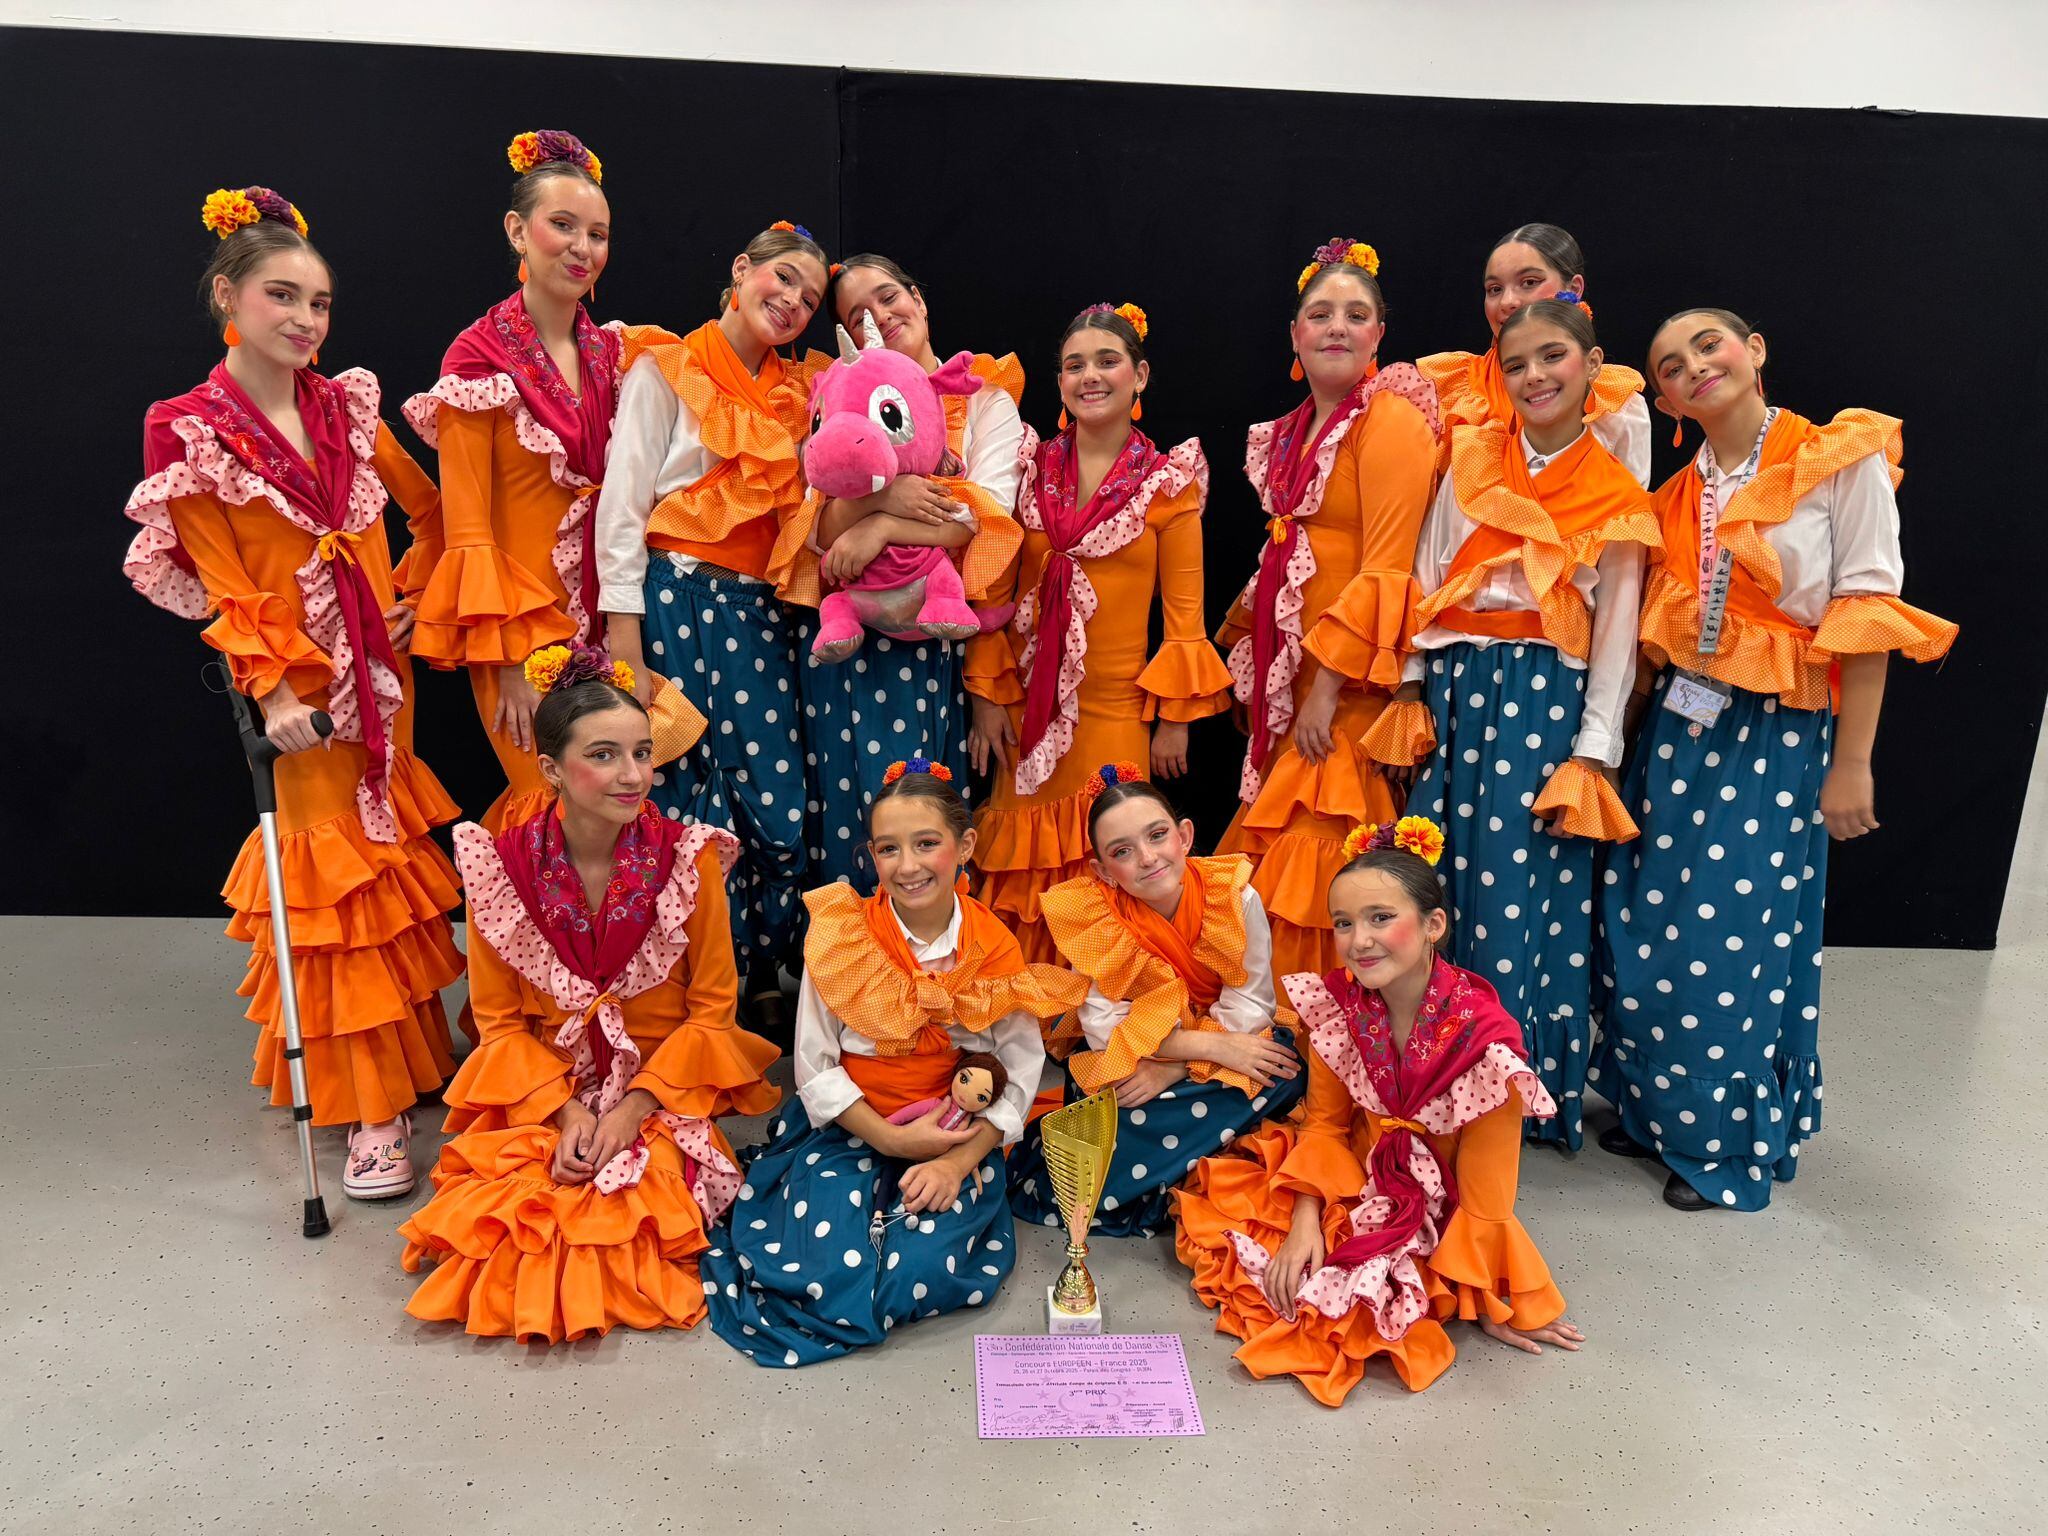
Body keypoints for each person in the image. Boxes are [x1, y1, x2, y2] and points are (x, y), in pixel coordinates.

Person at [121, 186, 462, 1199]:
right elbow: (224, 578)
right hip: (298, 689)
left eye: (318, 302)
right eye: (283, 295)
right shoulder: (190, 429)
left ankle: (404, 1053)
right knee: (328, 885)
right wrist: (271, 693)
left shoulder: (345, 405)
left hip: (379, 676)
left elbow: (431, 509)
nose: (306, 319)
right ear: (227, 294)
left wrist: (415, 597)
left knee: (383, 854)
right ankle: (369, 1108)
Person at [1592, 308, 1958, 1211]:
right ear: (1667, 402)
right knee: (1643, 922)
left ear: (1753, 351)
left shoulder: (1835, 460)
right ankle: (1653, 1108)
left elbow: (1865, 614)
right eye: (1670, 366)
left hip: (1776, 734)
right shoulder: (1678, 494)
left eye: (1706, 345)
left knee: (1727, 940)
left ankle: (1718, 1143)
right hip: (1678, 728)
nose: (1692, 366)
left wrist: (1852, 762)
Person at [398, 647, 779, 1340]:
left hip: (661, 1090)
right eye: (604, 755)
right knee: (514, 1220)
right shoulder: (499, 866)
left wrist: (632, 1110)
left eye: (642, 753)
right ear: (551, 770)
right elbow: (499, 1023)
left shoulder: (688, 859)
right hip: (545, 1088)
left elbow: (712, 1011)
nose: (633, 776)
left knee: (631, 1216)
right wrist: (566, 1111)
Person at [1174, 820, 1581, 1401]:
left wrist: (1491, 1295)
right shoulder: (1338, 1005)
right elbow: (1325, 1124)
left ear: (1434, 925)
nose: (1358, 940)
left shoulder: (1486, 1040)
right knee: (1264, 1247)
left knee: (1362, 1306)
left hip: (1439, 1202)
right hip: (1355, 1172)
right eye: (1343, 923)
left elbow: (1488, 1189)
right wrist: (1306, 1217)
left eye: (1380, 918)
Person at [1389, 299, 1660, 1150]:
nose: (1535, 376)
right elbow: (1429, 570)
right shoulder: (1473, 460)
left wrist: (1595, 748)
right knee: (1435, 885)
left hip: (1545, 705)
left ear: (1593, 365)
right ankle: (1423, 1077)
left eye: (1553, 357)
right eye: (1516, 364)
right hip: (1458, 691)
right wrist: (1410, 684)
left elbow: (1616, 629)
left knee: (1522, 898)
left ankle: (1507, 1095)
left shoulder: (1617, 496)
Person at [701, 760, 1078, 1366]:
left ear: (965, 847)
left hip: (954, 1135)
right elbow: (815, 1065)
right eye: (888, 849)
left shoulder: (994, 946)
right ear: (871, 856)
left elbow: (1020, 1072)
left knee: (920, 1268)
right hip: (853, 1126)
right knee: (821, 1262)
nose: (907, 866)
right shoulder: (844, 938)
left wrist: (956, 1162)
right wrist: (892, 1141)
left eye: (926, 844)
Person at [594, 221, 829, 1030]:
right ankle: (695, 985)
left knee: (777, 797)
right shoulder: (668, 367)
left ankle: (760, 966)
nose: (792, 301)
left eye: (809, 297)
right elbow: (623, 506)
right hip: (677, 604)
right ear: (741, 268)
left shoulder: (801, 393)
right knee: (686, 791)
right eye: (783, 278)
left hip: (763, 616)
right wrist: (625, 641)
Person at [970, 302, 1231, 963]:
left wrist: (1175, 721)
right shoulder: (1028, 469)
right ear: (1059, 382)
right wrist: (985, 698)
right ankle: (1033, 1006)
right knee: (1025, 877)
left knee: (1111, 869)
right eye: (1074, 365)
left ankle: (1109, 1008)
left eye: (1107, 361)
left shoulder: (1167, 485)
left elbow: (1185, 619)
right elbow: (992, 591)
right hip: (1027, 717)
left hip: (1117, 711)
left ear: (1138, 376)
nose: (1090, 376)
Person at [1218, 239, 1440, 981]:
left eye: (1355, 314)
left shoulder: (1391, 418)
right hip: (1297, 686)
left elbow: (1388, 567)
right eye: (1320, 314)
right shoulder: (1289, 434)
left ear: (1380, 334)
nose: (1336, 326)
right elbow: (1283, 560)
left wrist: (1326, 687)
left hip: (1347, 691)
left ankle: (1325, 1025)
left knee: (1325, 876)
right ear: (1295, 334)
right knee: (1275, 876)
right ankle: (1277, 1027)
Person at [773, 253, 1029, 888]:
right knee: (849, 807)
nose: (879, 317)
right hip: (847, 643)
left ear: (918, 297)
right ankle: (855, 941)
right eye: (856, 314)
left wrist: (879, 526)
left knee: (921, 809)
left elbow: (985, 518)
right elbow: (814, 529)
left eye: (888, 297)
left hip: (933, 637)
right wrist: (883, 499)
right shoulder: (839, 395)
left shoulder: (984, 399)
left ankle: (923, 938)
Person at [402, 130, 621, 828]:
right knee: (551, 808)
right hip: (518, 626)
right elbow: (467, 523)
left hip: (609, 615)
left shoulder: (613, 352)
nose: (582, 248)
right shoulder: (477, 358)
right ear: (517, 231)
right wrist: (502, 663)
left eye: (597, 234)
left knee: (605, 813)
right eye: (563, 225)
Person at [1009, 765, 1305, 1236]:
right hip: (1132, 1056)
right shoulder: (1094, 916)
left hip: (1205, 1047)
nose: (1147, 858)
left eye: (1157, 835)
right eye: (1122, 852)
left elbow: (1250, 1005)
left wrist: (1177, 1067)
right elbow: (1105, 1028)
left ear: (1184, 836)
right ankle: (1175, 1166)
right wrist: (1206, 1050)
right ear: (1103, 871)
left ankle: (1150, 1172)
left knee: (1283, 1071)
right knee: (1115, 1099)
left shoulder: (1234, 897)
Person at [1417, 221, 1650, 485]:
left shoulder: (1617, 403)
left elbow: (1628, 503)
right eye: (1495, 289)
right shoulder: (1443, 389)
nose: (1507, 302)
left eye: (1529, 282)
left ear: (1573, 289)